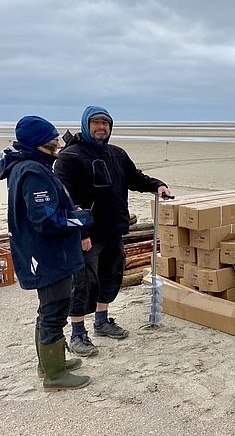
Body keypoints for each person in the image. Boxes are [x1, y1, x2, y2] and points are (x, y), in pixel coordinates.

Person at [54, 106, 171, 357]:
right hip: (86, 234)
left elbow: (135, 178)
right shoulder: (69, 157)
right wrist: (82, 232)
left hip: (113, 230)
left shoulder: (117, 154)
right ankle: (77, 333)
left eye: (105, 123)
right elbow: (66, 199)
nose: (100, 128)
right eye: (95, 123)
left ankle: (102, 321)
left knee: (111, 277)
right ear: (86, 125)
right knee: (83, 283)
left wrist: (157, 185)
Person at [0, 116, 94, 391]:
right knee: (54, 310)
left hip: (45, 252)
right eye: (52, 139)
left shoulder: (30, 165)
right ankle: (55, 375)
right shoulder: (32, 171)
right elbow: (45, 220)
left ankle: (49, 364)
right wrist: (80, 219)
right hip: (48, 255)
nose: (57, 142)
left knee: (49, 309)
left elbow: (47, 209)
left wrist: (69, 211)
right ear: (38, 143)